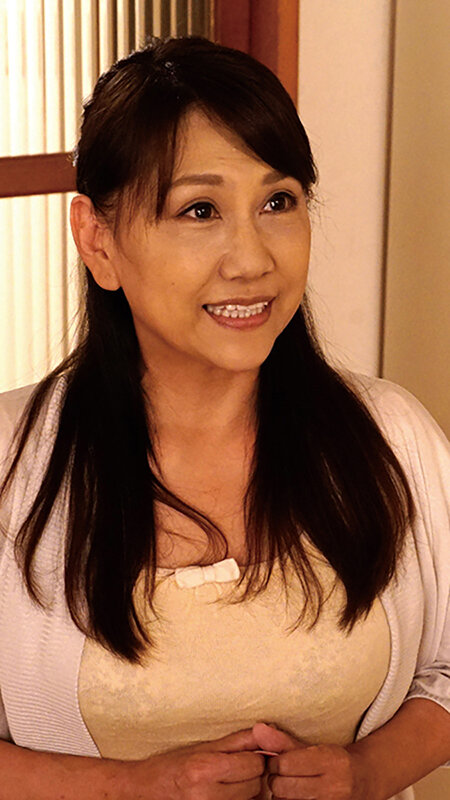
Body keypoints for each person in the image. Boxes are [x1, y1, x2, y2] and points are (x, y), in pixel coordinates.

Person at [0, 35, 448, 800]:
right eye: (200, 210)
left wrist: (369, 772)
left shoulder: (392, 437)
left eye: (279, 202)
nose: (252, 260)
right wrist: (133, 789)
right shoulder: (12, 462)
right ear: (97, 241)